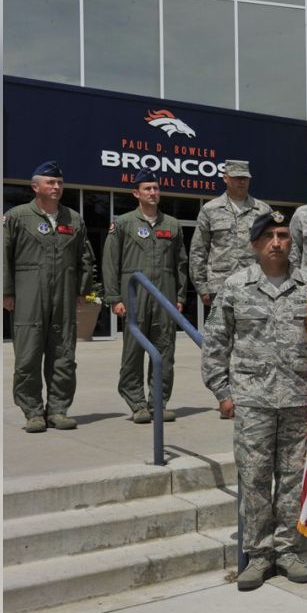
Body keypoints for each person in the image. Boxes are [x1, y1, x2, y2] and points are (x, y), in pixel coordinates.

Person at [200, 210, 307, 591]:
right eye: (269, 236)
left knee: (292, 479)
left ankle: (287, 550)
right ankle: (258, 553)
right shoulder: (235, 287)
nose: (278, 242)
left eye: (283, 235)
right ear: (254, 244)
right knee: (254, 479)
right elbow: (216, 343)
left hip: (298, 398)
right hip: (252, 400)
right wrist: (222, 392)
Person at [3, 160, 96, 433]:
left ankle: (57, 410)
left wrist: (83, 289)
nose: (56, 187)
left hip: (64, 296)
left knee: (63, 354)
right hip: (28, 295)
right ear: (35, 187)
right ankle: (32, 412)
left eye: (59, 183)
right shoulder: (17, 217)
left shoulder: (73, 219)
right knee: (28, 355)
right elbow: (2, 255)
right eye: (50, 183)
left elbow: (85, 257)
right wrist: (5, 291)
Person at [102, 168, 188, 424]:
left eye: (156, 188)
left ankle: (158, 403)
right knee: (133, 352)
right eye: (147, 189)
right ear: (136, 193)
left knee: (165, 351)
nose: (153, 192)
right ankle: (137, 403)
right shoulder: (124, 223)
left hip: (166, 296)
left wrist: (181, 296)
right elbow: (110, 263)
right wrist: (114, 297)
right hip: (134, 296)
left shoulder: (172, 225)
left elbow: (180, 263)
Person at [189, 159, 272, 307]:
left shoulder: (263, 210)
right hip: (220, 286)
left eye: (245, 178)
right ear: (225, 178)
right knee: (219, 329)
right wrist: (201, 287)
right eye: (236, 178)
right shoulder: (210, 209)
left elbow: (273, 247)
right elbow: (199, 250)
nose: (242, 182)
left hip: (256, 284)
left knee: (255, 330)